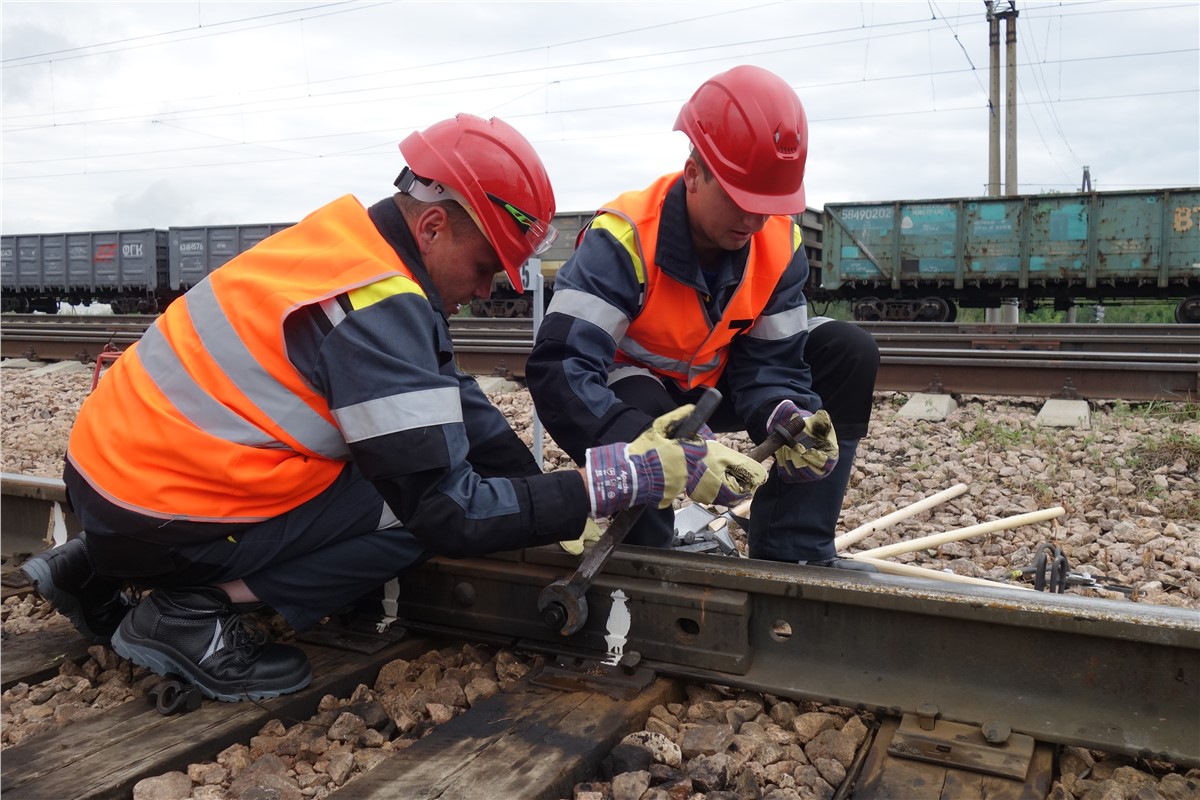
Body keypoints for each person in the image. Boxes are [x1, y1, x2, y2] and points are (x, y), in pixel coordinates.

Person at [21, 113, 766, 702]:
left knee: (397, 466)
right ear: (435, 224)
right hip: (165, 519)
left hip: (110, 484)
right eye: (485, 267)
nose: (487, 289)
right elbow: (449, 512)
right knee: (404, 511)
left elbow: (457, 405)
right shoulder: (379, 308)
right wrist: (613, 485)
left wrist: (569, 500)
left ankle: (91, 568)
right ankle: (192, 613)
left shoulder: (350, 247)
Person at [526, 65, 881, 570]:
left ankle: (794, 556)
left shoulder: (778, 242)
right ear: (693, 175)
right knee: (649, 410)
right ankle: (646, 557)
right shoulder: (622, 239)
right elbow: (561, 370)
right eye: (742, 201)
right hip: (632, 390)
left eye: (769, 205)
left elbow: (772, 365)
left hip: (716, 382)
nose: (756, 221)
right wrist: (652, 456)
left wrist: (785, 414)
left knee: (848, 351)